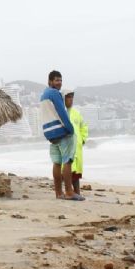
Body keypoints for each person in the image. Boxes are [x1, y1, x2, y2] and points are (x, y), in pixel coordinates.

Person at [40, 70, 83, 200]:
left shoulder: (43, 95)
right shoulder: (54, 93)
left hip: (50, 135)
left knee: (56, 163)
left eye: (60, 80)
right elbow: (61, 113)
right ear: (50, 81)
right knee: (67, 161)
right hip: (61, 132)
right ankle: (69, 192)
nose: (59, 83)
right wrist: (71, 130)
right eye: (56, 80)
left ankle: (59, 193)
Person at [63, 88, 88, 196]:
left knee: (77, 172)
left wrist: (83, 139)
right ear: (63, 98)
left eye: (72, 97)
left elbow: (84, 126)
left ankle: (77, 191)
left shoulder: (76, 113)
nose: (71, 99)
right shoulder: (61, 112)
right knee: (68, 169)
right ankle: (68, 191)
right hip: (66, 145)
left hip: (77, 146)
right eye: (68, 97)